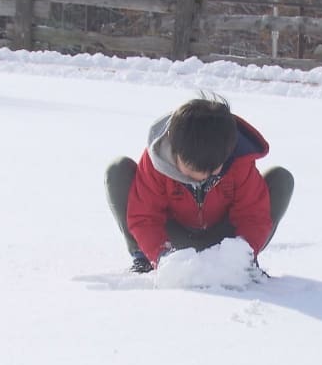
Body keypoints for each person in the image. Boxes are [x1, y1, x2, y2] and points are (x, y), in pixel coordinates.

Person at [105, 94, 294, 273]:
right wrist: (162, 257)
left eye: (212, 170)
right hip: (172, 238)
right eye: (192, 169)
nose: (202, 176)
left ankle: (245, 263)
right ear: (175, 151)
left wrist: (241, 255)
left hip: (223, 239)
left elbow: (252, 215)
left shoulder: (239, 162)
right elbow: (145, 217)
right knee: (117, 170)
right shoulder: (155, 162)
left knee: (281, 178)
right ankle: (143, 258)